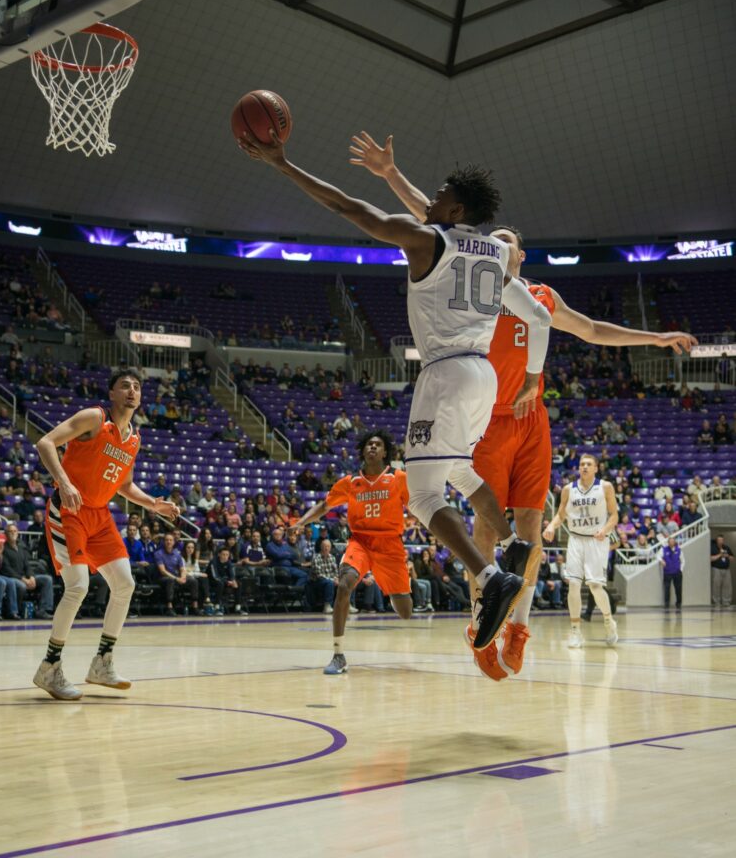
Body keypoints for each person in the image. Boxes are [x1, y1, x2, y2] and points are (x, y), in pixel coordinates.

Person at [240, 128, 548, 651]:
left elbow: (351, 209)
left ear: (456, 208)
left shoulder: (431, 238)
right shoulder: (496, 254)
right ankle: (515, 543)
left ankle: (491, 576)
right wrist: (535, 377)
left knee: (426, 495)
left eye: (443, 191)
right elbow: (537, 315)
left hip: (446, 374)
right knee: (459, 470)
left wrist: (284, 165)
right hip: (484, 378)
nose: (434, 196)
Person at [366, 197, 695, 680]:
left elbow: (592, 330)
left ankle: (519, 626)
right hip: (488, 418)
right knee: (484, 525)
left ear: (521, 257)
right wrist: (391, 177)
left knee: (530, 526)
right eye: (491, 242)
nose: (495, 247)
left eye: (506, 244)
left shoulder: (539, 296)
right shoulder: (479, 287)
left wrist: (655, 338)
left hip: (531, 420)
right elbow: (442, 224)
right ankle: (482, 618)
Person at [32, 368, 179, 701]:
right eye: (124, 386)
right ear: (112, 393)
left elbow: (124, 486)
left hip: (99, 515)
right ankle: (49, 667)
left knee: (125, 583)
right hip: (69, 511)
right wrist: (64, 482)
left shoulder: (134, 438)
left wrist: (153, 505)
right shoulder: (94, 418)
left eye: (137, 387)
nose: (132, 391)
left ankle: (102, 662)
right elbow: (45, 443)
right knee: (78, 586)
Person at [297, 429, 413, 674]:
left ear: (385, 452)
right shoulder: (350, 482)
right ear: (362, 450)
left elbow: (418, 505)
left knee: (405, 612)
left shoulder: (399, 478)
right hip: (360, 542)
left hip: (390, 545)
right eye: (369, 443)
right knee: (344, 585)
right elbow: (323, 505)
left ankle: (390, 587)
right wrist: (300, 523)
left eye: (378, 444)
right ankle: (338, 655)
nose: (372, 447)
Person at [544, 455, 619, 648]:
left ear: (596, 468)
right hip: (576, 539)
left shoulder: (605, 487)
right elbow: (560, 514)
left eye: (588, 464)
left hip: (596, 539)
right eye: (582, 464)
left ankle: (609, 621)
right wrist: (552, 526)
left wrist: (606, 530)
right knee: (574, 585)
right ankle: (576, 631)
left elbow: (614, 515)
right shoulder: (569, 490)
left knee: (595, 586)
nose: (584, 467)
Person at [155, 533, 198, 616]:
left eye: (170, 540)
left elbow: (182, 569)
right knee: (170, 580)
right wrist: (176, 579)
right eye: (167, 540)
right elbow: (163, 571)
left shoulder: (177, 554)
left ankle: (195, 607)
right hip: (163, 578)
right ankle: (169, 608)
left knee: (193, 580)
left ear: (174, 542)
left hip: (176, 577)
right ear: (164, 542)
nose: (168, 542)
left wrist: (182, 577)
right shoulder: (158, 553)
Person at [660, 537, 683, 610]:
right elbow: (657, 556)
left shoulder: (678, 550)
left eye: (672, 542)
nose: (671, 543)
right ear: (668, 542)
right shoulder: (664, 549)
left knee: (678, 588)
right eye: (670, 542)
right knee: (667, 588)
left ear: (674, 542)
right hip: (667, 572)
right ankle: (667, 604)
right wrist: (661, 561)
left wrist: (680, 569)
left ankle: (678, 603)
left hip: (677, 573)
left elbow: (683, 560)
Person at [710, 535, 733, 608]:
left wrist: (728, 556)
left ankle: (726, 602)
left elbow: (732, 558)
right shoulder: (713, 548)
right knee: (716, 586)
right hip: (716, 569)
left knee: (727, 586)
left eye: (722, 540)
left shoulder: (726, 547)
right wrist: (720, 555)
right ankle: (716, 602)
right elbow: (711, 559)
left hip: (726, 570)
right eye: (719, 540)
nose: (721, 541)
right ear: (717, 541)